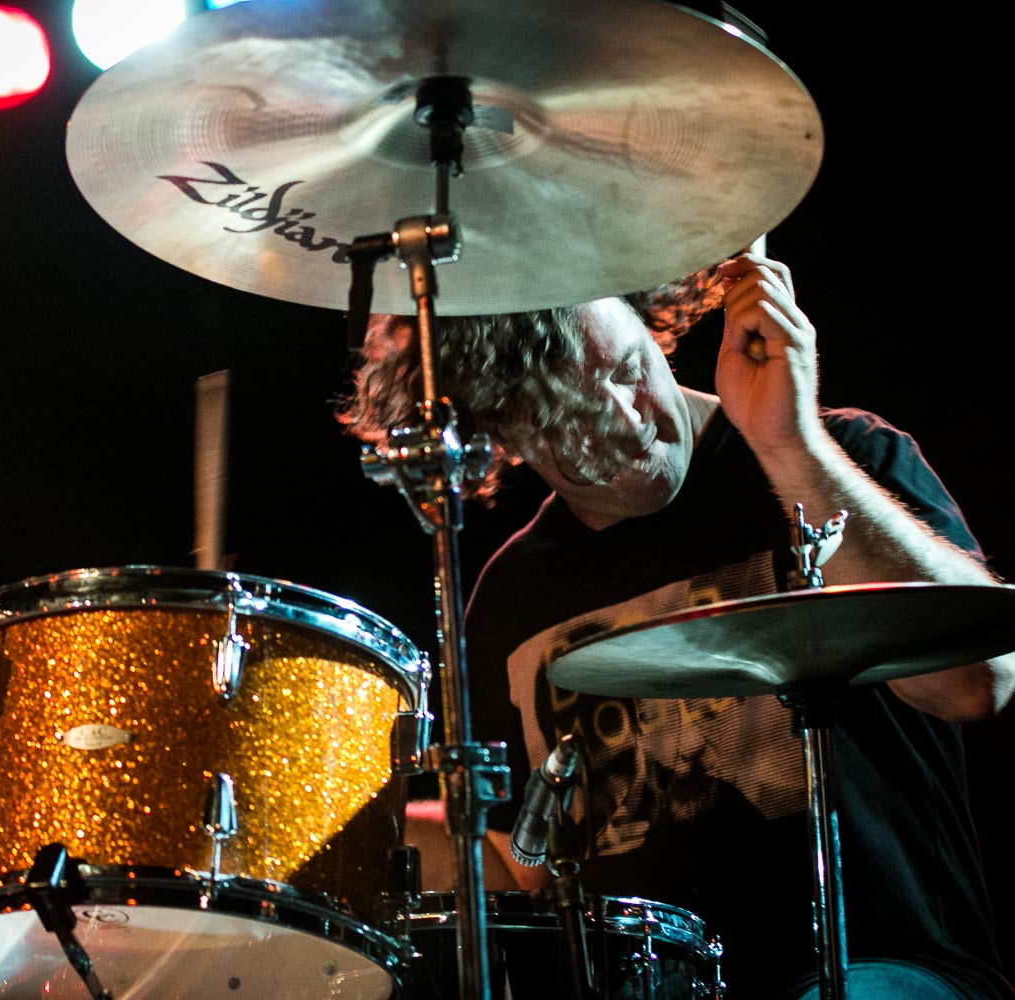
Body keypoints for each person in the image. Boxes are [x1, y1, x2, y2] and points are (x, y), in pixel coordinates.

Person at [337, 253, 1015, 1000]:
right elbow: (527, 865)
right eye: (576, 422)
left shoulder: (847, 457)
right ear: (505, 437)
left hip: (888, 974)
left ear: (650, 324)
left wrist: (790, 446)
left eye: (627, 369)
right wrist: (360, 826)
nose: (630, 422)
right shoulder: (510, 597)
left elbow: (978, 682)